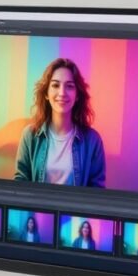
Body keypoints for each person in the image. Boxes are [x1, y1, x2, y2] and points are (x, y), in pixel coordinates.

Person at [14, 58, 106, 187]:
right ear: (46, 93)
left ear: (77, 95)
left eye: (69, 86)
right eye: (55, 85)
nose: (62, 93)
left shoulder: (93, 141)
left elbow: (96, 191)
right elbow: (20, 183)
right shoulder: (29, 135)